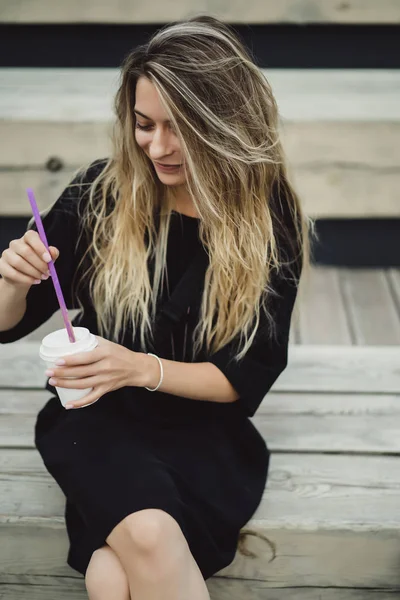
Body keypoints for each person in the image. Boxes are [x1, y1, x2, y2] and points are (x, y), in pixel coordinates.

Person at [0, 15, 311, 600]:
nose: (158, 147)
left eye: (181, 129)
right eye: (144, 125)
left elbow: (243, 378)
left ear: (224, 126)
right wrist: (12, 279)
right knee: (144, 536)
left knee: (112, 576)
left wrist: (140, 368)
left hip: (206, 437)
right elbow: (5, 322)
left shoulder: (268, 221)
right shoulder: (100, 192)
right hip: (93, 419)